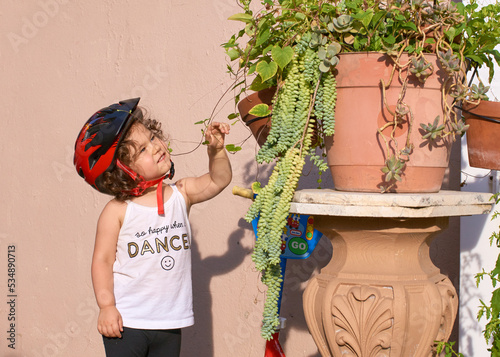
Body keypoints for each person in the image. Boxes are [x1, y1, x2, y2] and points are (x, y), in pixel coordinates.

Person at [74, 98, 232, 356]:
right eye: (143, 150)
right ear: (123, 170)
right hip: (127, 322)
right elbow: (102, 260)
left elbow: (219, 179)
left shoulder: (182, 193)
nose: (156, 147)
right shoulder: (117, 211)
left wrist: (216, 151)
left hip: (169, 322)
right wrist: (106, 306)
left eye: (153, 138)